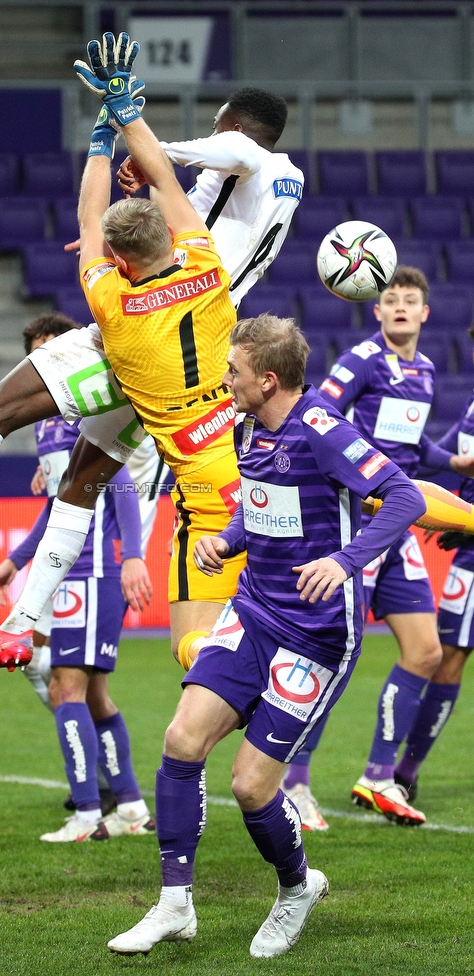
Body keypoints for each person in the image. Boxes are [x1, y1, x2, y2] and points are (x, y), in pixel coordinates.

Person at [0, 56, 304, 674]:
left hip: (146, 332)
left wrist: (130, 131)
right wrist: (137, 149)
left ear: (231, 123)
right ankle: (21, 627)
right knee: (82, 480)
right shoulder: (277, 189)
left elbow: (216, 161)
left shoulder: (243, 161)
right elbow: (191, 200)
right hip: (205, 336)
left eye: (220, 128)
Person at [107, 314, 425, 958]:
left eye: (234, 372)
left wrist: (343, 562)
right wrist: (228, 540)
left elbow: (403, 498)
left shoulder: (324, 431)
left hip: (314, 635)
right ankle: (174, 903)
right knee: (181, 737)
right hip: (253, 613)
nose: (225, 379)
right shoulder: (248, 426)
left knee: (251, 786)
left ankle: (296, 886)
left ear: (269, 380)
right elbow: (263, 510)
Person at [282, 267, 474, 830]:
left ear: (424, 315)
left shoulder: (426, 369)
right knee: (331, 654)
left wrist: (453, 463)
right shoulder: (361, 360)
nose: (398, 308)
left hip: (400, 526)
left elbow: (411, 447)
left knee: (426, 652)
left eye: (409, 301)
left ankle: (378, 775)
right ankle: (294, 785)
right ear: (376, 310)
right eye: (390, 299)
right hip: (358, 521)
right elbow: (322, 416)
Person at [0, 313, 152, 835]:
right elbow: (64, 502)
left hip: (93, 568)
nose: (50, 361)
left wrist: (131, 556)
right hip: (71, 570)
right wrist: (17, 558)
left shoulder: (94, 409)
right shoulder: (48, 428)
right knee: (93, 695)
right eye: (39, 352)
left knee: (65, 687)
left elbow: (118, 483)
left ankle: (85, 814)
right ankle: (129, 808)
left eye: (57, 348)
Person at [395, 320, 474, 800]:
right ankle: (405, 771)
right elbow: (445, 458)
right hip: (469, 554)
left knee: (445, 656)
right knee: (447, 658)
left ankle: (403, 772)